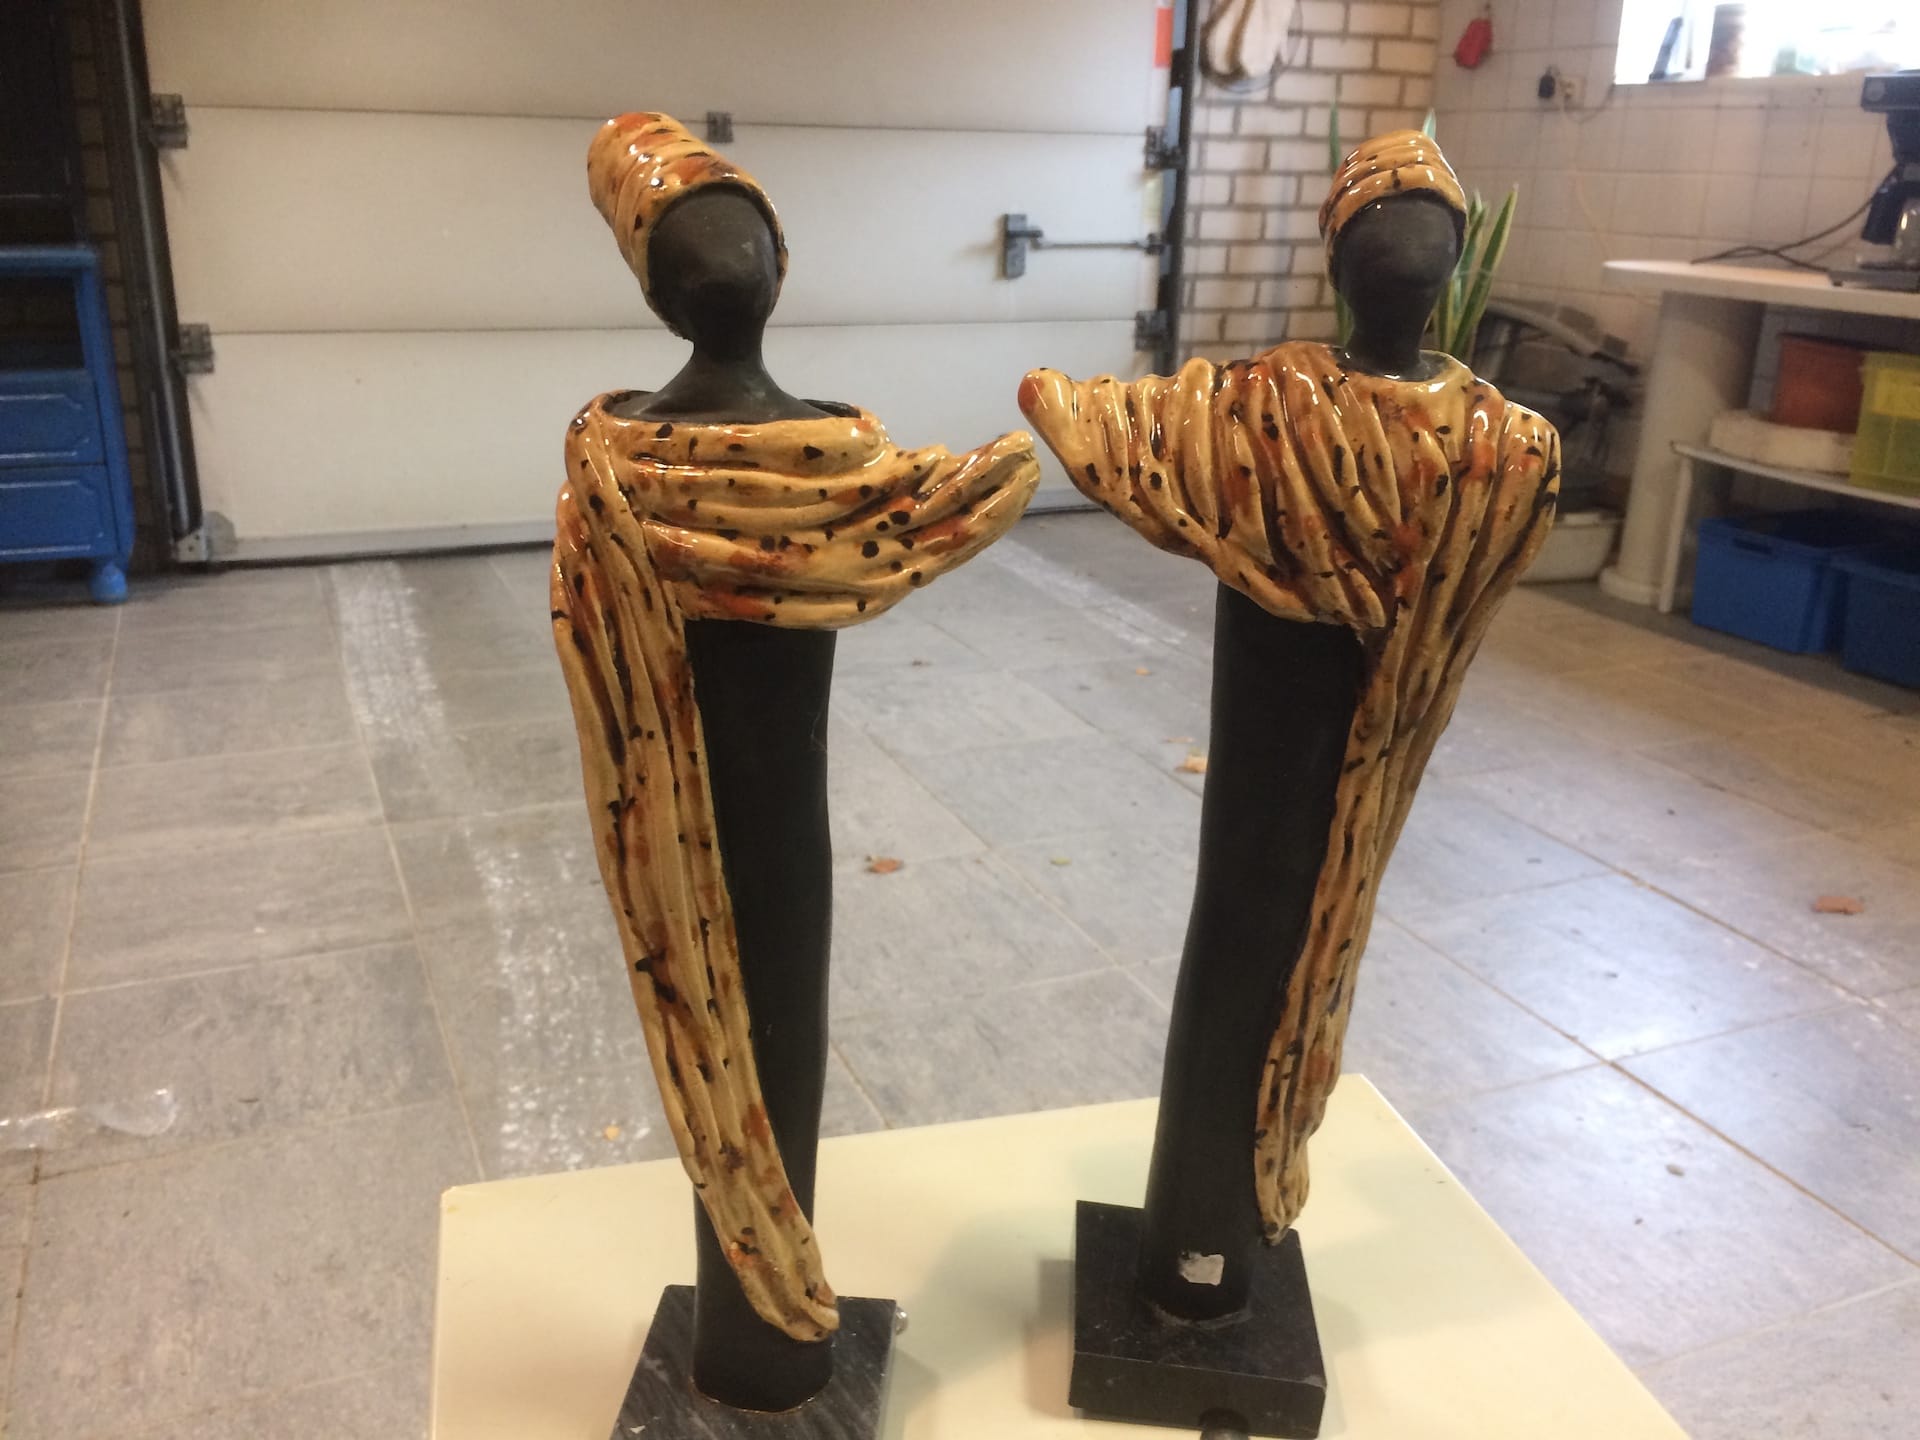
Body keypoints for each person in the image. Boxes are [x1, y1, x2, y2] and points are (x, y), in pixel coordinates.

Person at [1019, 129, 1560, 1307]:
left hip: (1314, 763)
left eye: (1410, 233)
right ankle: (1203, 1235)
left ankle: (1204, 1244)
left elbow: (1067, 409)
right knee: (1259, 937)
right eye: (1390, 231)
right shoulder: (1449, 441)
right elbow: (1076, 417)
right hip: (1305, 762)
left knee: (1259, 938)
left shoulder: (1275, 420)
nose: (1399, 254)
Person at [553, 112, 1037, 1405]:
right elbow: (964, 493)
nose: (729, 266)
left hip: (693, 851)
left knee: (740, 1022)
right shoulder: (843, 473)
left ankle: (760, 1312)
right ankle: (761, 1320)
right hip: (779, 852)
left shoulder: (612, 465)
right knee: (775, 1018)